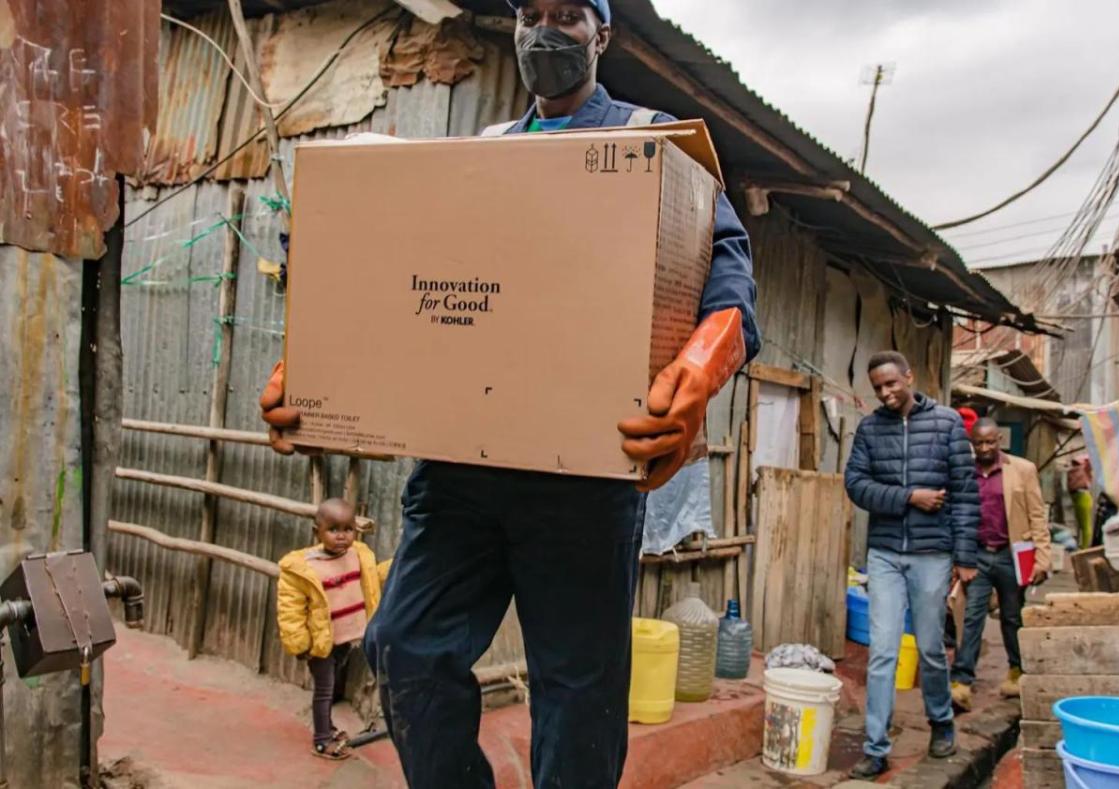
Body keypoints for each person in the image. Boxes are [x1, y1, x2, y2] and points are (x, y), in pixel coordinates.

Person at [258, 1, 760, 785]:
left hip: (586, 476)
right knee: (406, 646)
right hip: (461, 471)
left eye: (567, 14)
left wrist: (698, 372)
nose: (544, 32)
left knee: (579, 690)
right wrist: (314, 364)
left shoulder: (648, 141)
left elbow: (727, 269)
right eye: (531, 13)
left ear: (604, 35)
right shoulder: (480, 152)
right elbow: (374, 260)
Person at [843, 351, 980, 780]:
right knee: (882, 652)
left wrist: (965, 557)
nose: (885, 393)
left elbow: (964, 492)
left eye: (891, 384)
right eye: (878, 387)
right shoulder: (869, 429)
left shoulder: (947, 424)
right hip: (884, 553)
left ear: (909, 376)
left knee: (929, 648)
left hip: (932, 554)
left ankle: (941, 722)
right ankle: (875, 747)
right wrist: (908, 497)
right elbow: (856, 485)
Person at [276, 498, 392, 760]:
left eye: (348, 529)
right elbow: (290, 610)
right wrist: (299, 644)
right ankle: (321, 740)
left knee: (333, 680)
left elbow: (374, 577)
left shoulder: (357, 556)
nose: (342, 536)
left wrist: (402, 563)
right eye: (334, 529)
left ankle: (327, 727)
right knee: (324, 690)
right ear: (317, 530)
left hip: (345, 639)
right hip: (321, 643)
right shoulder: (304, 569)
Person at [949, 419, 1051, 711]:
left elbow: (1036, 515)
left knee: (1012, 616)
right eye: (979, 443)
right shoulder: (965, 472)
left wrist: (1042, 558)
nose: (984, 448)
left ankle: (1017, 672)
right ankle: (962, 681)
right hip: (978, 556)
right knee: (971, 618)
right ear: (972, 443)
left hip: (1011, 555)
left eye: (990, 442)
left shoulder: (1022, 469)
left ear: (999, 439)